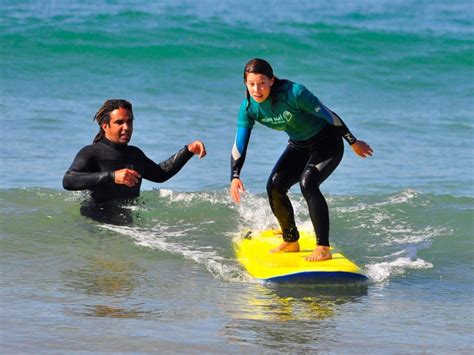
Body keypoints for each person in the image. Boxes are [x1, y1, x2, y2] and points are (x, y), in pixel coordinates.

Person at [229, 59, 373, 262]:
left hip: (327, 142)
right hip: (299, 145)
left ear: (271, 80)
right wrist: (235, 176)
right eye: (251, 84)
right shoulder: (248, 108)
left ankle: (323, 247)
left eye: (262, 83)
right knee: (275, 186)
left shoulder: (295, 93)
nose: (257, 89)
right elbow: (239, 144)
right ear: (245, 83)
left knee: (308, 183)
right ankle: (291, 241)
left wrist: (353, 142)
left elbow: (330, 116)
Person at [63, 99, 206, 210]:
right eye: (119, 122)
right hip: (97, 222)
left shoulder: (135, 154)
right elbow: (68, 180)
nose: (126, 128)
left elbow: (161, 174)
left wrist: (188, 151)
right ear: (105, 126)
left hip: (129, 225)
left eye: (129, 122)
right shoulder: (91, 152)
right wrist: (112, 176)